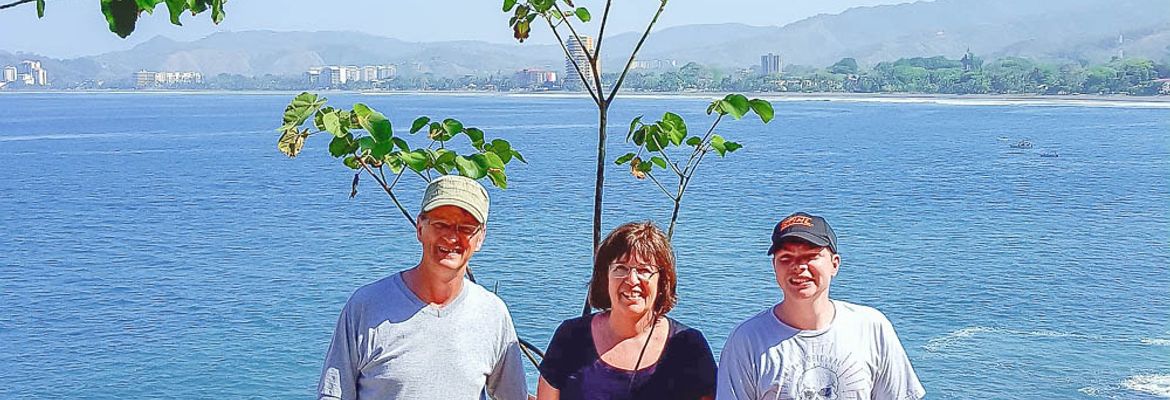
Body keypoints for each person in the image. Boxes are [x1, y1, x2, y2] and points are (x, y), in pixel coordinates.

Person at [317, 175, 528, 400]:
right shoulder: (366, 306)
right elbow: (333, 394)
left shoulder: (493, 314)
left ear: (480, 238)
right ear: (420, 227)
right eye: (440, 224)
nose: (451, 236)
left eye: (466, 228)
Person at [716, 212, 925, 400]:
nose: (798, 267)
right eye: (786, 258)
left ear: (834, 264)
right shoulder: (747, 340)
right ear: (774, 267)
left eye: (811, 256)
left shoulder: (871, 328)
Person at [537, 222, 716, 400]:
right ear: (605, 277)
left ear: (662, 282)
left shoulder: (688, 347)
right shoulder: (570, 337)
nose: (632, 280)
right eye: (620, 268)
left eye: (644, 270)